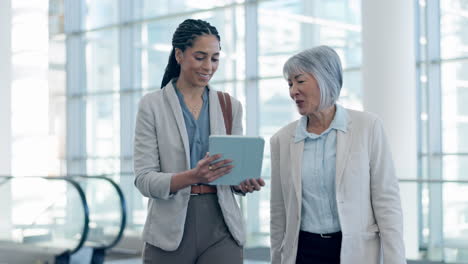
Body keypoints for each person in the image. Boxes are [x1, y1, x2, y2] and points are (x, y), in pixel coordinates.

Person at [134, 19, 265, 264]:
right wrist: (193, 176)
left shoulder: (230, 106)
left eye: (214, 58)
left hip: (221, 227)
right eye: (200, 57)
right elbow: (144, 179)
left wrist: (242, 182)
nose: (208, 66)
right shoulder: (152, 106)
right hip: (168, 231)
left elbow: (231, 174)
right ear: (179, 55)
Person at [269, 46, 406, 264]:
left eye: (300, 81)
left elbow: (386, 201)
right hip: (303, 251)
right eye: (290, 84)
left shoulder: (367, 127)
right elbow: (278, 213)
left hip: (356, 250)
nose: (293, 91)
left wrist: (395, 260)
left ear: (325, 78)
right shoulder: (282, 139)